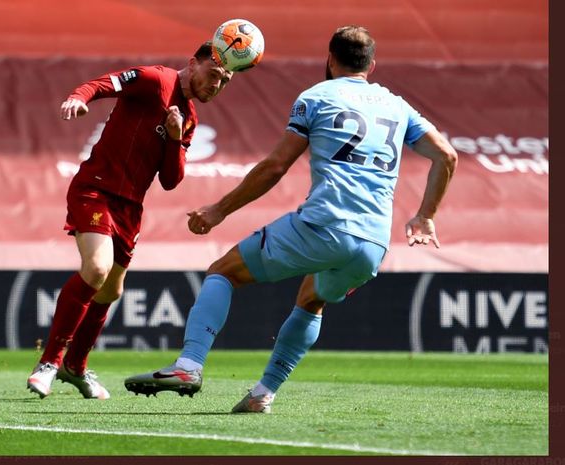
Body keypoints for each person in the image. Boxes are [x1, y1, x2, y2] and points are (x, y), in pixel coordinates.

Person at [124, 26, 457, 412]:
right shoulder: (397, 105)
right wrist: (425, 216)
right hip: (373, 244)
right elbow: (446, 156)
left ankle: (188, 364)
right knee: (311, 300)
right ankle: (263, 394)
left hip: (323, 225)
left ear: (330, 58)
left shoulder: (316, 97)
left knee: (223, 272)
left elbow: (275, 167)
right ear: (372, 65)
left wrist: (218, 211)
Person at [27, 42, 234, 399]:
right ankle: (49, 362)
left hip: (130, 208)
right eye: (213, 74)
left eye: (224, 81)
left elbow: (171, 180)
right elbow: (103, 83)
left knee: (112, 289)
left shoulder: (188, 120)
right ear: (193, 64)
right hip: (95, 190)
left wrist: (172, 139)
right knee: (96, 268)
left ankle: (76, 367)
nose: (215, 85)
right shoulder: (155, 80)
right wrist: (79, 97)